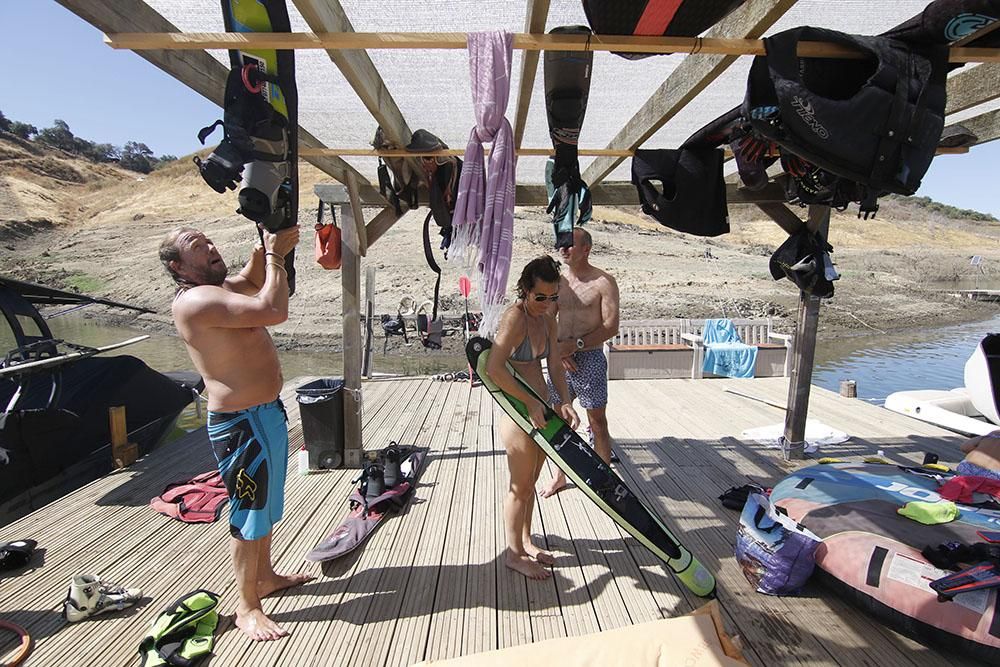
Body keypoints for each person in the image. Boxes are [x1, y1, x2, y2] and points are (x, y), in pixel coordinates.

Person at [159, 224, 313, 642]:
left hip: (263, 415)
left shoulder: (219, 287)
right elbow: (273, 309)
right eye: (197, 246)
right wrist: (278, 256)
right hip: (241, 424)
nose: (210, 245)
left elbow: (249, 282)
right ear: (179, 267)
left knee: (264, 506)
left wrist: (264, 247)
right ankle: (246, 607)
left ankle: (264, 577)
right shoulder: (196, 301)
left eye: (208, 239)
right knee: (248, 513)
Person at [487, 256, 579, 580]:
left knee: (531, 483)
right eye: (540, 297)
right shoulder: (515, 318)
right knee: (519, 487)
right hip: (518, 412)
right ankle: (514, 555)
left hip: (540, 410)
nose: (547, 303)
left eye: (553, 297)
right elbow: (493, 368)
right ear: (525, 290)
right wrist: (528, 401)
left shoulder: (547, 319)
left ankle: (526, 541)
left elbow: (555, 365)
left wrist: (565, 401)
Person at [541, 227, 620, 498]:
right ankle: (560, 476)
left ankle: (603, 479)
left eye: (569, 244)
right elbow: (548, 320)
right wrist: (557, 352)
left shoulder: (603, 282)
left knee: (597, 421)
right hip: (559, 360)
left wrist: (575, 345)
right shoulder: (557, 282)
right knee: (558, 419)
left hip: (590, 358)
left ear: (586, 249)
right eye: (560, 244)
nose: (563, 249)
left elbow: (611, 326)